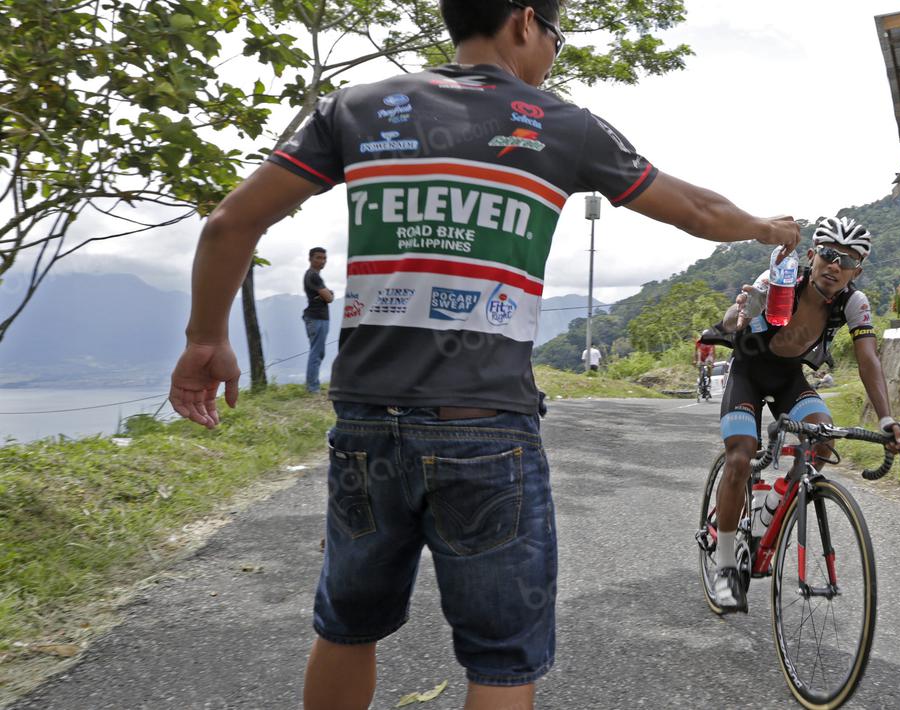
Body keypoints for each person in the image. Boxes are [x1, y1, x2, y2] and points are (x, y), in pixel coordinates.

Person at [167, 1, 800, 707]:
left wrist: (204, 338)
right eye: (556, 37)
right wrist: (768, 226)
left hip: (366, 424)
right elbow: (698, 212)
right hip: (487, 428)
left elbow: (231, 221)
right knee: (501, 661)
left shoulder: (355, 108)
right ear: (525, 21)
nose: (553, 53)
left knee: (347, 628)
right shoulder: (562, 125)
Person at [707, 216, 900, 613]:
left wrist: (887, 419)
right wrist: (741, 312)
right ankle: (727, 564)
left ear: (858, 270)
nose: (835, 266)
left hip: (788, 378)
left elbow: (868, 359)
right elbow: (733, 322)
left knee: (822, 441)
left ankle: (769, 511)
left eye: (847, 261)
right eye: (829, 255)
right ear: (813, 255)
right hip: (749, 370)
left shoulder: (854, 302)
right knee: (740, 455)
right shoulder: (780, 281)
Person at [303, 247, 333, 393]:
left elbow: (327, 296)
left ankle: (313, 386)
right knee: (317, 352)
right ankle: (312, 388)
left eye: (324, 258)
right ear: (310, 259)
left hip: (315, 317)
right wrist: (328, 294)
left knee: (317, 352)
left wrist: (327, 295)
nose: (322, 261)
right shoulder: (313, 276)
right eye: (318, 258)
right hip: (317, 318)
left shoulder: (312, 276)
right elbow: (329, 297)